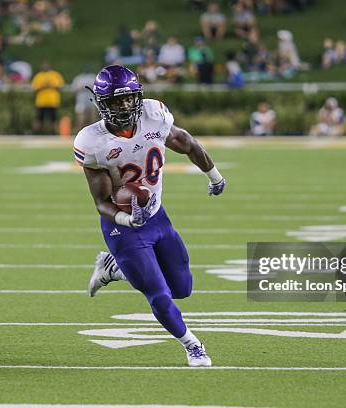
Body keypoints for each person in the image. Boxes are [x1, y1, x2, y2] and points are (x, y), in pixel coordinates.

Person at [74, 65, 226, 367]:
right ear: (102, 103)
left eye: (130, 98)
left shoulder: (154, 115)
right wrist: (126, 220)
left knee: (182, 288)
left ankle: (113, 268)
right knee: (158, 293)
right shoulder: (93, 142)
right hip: (123, 226)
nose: (126, 105)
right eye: (117, 101)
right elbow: (102, 201)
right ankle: (192, 346)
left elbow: (188, 143)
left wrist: (215, 176)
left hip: (157, 215)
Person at [31, 62, 64, 134]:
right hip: (41, 102)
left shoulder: (55, 75)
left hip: (53, 102)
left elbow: (59, 86)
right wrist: (44, 86)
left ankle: (52, 132)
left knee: (53, 119)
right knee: (39, 119)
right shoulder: (38, 76)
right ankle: (37, 133)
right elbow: (34, 88)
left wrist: (49, 85)